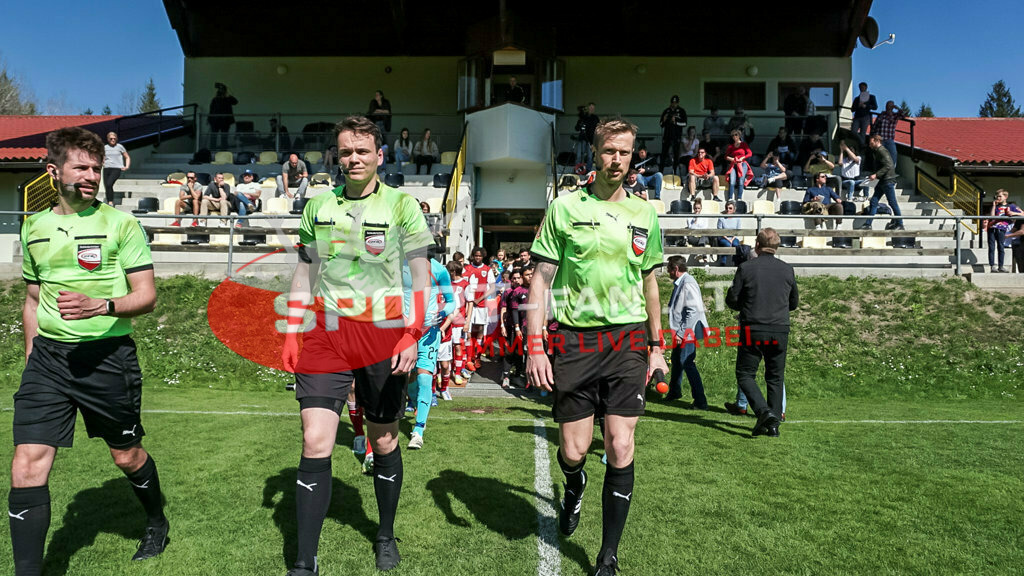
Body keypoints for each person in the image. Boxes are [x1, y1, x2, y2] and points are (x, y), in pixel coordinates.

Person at [280, 115, 435, 575]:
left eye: (362, 151)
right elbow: (305, 272)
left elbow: (421, 277)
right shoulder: (317, 207)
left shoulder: (402, 206)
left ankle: (384, 535)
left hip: (383, 332)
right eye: (346, 151)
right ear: (337, 155)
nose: (353, 159)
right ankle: (305, 561)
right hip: (327, 332)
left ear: (379, 156)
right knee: (315, 439)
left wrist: (411, 332)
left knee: (383, 440)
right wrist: (291, 331)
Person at [11, 127, 167, 575]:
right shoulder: (33, 226)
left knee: (126, 455)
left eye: (96, 168)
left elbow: (147, 295)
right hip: (48, 361)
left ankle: (156, 520)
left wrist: (102, 305)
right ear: (53, 171)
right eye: (81, 167)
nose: (91, 176)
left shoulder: (121, 224)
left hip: (107, 359)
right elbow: (32, 300)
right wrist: (31, 357)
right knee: (27, 463)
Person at [527, 118, 667, 576]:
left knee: (621, 445)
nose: (616, 160)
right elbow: (541, 279)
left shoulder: (645, 213)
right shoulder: (565, 207)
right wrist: (534, 346)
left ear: (632, 156)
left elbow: (649, 283)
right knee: (573, 450)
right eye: (609, 151)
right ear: (595, 153)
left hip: (627, 340)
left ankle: (608, 556)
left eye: (624, 152)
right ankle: (574, 484)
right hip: (575, 340)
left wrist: (657, 346)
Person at [725, 228, 798, 437]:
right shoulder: (787, 270)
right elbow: (793, 303)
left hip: (753, 327)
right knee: (775, 377)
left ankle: (764, 412)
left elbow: (733, 299)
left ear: (757, 245)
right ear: (777, 247)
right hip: (780, 329)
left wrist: (745, 304)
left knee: (745, 374)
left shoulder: (746, 268)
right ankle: (773, 425)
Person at [405, 247, 456, 449]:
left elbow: (452, 302)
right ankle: (416, 403)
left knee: (424, 377)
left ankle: (418, 430)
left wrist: (442, 312)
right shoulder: (398, 266)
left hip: (429, 332)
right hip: (404, 332)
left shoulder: (439, 270)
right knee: (408, 376)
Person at [665, 256, 708, 408]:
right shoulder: (682, 282)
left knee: (687, 362)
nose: (668, 272)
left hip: (687, 330)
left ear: (676, 269)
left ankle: (701, 401)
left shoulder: (687, 283)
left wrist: (681, 333)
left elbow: (693, 311)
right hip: (683, 329)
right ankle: (674, 391)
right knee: (677, 359)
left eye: (669, 269)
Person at [859, 133, 904, 231]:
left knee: (892, 203)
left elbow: (888, 165)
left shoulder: (882, 151)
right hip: (882, 181)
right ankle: (868, 224)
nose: (870, 145)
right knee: (874, 201)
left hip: (887, 181)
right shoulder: (877, 151)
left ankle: (900, 224)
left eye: (871, 143)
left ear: (877, 141)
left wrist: (876, 175)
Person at [987, 189, 1023, 273]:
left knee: (1001, 246)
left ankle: (1001, 266)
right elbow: (992, 216)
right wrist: (994, 206)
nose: (998, 198)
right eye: (997, 196)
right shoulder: (996, 206)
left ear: (1005, 197)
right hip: (992, 227)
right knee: (991, 247)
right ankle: (992, 266)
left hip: (1002, 228)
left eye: (1000, 196)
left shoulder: (1011, 206)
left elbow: (1022, 213)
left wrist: (1014, 213)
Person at [659, 95, 687, 175]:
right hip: (667, 136)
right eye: (672, 102)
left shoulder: (681, 111)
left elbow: (685, 123)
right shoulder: (666, 111)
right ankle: (660, 172)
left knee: (676, 155)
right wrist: (664, 120)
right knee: (663, 154)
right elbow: (661, 124)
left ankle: (675, 173)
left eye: (675, 103)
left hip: (676, 136)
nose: (674, 104)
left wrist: (676, 122)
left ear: (678, 103)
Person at [871, 100, 903, 166]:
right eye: (887, 105)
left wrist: (897, 108)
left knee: (893, 154)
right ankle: (878, 170)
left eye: (890, 106)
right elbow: (875, 126)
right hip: (880, 139)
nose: (888, 107)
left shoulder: (895, 115)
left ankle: (891, 169)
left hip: (889, 139)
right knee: (879, 156)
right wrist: (873, 137)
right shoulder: (882, 115)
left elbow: (903, 114)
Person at [102, 132, 130, 205]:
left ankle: (110, 202)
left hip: (116, 168)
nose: (113, 140)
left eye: (114, 138)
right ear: (108, 139)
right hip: (107, 168)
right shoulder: (105, 147)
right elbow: (103, 157)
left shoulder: (120, 147)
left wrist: (126, 166)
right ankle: (109, 201)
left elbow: (127, 157)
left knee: (109, 184)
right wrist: (102, 163)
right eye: (111, 139)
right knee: (107, 186)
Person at [724, 130, 752, 202]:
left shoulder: (743, 144)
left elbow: (749, 153)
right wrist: (732, 159)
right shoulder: (731, 146)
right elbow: (726, 156)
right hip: (734, 164)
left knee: (741, 180)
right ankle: (730, 198)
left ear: (739, 136)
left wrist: (743, 158)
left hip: (742, 163)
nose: (734, 136)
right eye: (733, 135)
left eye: (736, 135)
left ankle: (739, 198)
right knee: (732, 181)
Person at [208, 82, 237, 149]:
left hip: (223, 121)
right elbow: (211, 110)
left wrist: (228, 95)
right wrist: (209, 120)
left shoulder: (226, 99)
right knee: (215, 137)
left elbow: (235, 102)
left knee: (222, 137)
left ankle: (222, 149)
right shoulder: (215, 100)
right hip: (217, 121)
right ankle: (215, 149)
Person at [851, 82, 877, 146]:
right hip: (857, 117)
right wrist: (858, 105)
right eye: (860, 87)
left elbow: (875, 107)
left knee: (863, 133)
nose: (861, 88)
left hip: (865, 117)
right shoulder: (857, 99)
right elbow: (852, 109)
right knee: (853, 131)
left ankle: (861, 146)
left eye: (863, 87)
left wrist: (866, 106)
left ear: (866, 87)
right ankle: (862, 143)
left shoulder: (871, 97)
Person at [716, 200, 742, 266]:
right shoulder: (721, 218)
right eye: (727, 208)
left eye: (730, 208)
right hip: (723, 237)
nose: (728, 210)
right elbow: (720, 231)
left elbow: (737, 231)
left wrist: (732, 239)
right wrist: (728, 239)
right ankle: (723, 262)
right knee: (727, 244)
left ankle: (736, 261)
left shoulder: (737, 219)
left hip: (733, 237)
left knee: (736, 244)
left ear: (734, 210)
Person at [575, 102, 598, 172]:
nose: (591, 109)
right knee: (579, 155)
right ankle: (578, 169)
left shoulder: (595, 118)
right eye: (590, 107)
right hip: (582, 138)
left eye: (593, 108)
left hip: (591, 140)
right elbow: (577, 128)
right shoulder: (583, 117)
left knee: (590, 156)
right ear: (588, 108)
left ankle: (588, 170)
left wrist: (594, 142)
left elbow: (597, 129)